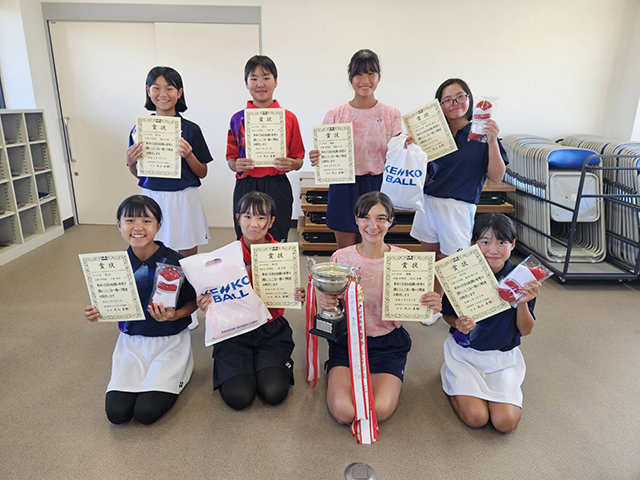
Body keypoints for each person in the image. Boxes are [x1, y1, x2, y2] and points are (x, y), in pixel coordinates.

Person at [317, 192, 442, 425]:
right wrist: (325, 303)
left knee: (378, 411)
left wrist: (432, 303)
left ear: (391, 221)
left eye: (381, 218)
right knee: (344, 413)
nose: (372, 225)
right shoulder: (341, 258)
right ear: (356, 219)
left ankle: (373, 375)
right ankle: (337, 371)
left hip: (388, 345)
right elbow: (331, 303)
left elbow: (416, 303)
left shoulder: (405, 260)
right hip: (348, 343)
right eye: (365, 217)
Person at [83, 195, 197, 425]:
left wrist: (175, 315)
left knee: (146, 413)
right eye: (130, 220)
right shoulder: (114, 265)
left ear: (159, 225)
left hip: (170, 341)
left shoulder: (176, 262)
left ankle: (183, 368)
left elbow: (193, 301)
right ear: (119, 224)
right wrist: (97, 312)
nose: (138, 227)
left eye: (146, 221)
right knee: (117, 414)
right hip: (131, 343)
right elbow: (110, 300)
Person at [197, 192, 305, 410]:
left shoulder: (281, 255)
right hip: (234, 332)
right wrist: (205, 303)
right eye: (247, 217)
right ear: (238, 219)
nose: (254, 224)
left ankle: (265, 363)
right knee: (239, 397)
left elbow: (285, 292)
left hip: (270, 330)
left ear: (271, 221)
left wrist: (296, 295)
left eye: (261, 217)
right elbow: (212, 297)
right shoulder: (223, 259)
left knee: (274, 392)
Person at [440, 214, 540, 433]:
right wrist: (458, 324)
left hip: (502, 358)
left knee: (505, 423)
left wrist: (523, 303)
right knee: (476, 418)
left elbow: (526, 330)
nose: (493, 250)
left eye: (501, 242)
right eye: (485, 242)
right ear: (473, 244)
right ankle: (450, 377)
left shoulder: (521, 277)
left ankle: (468, 390)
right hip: (465, 355)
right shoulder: (461, 273)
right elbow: (447, 314)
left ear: (513, 244)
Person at [410, 79, 508, 291]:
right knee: (430, 259)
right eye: (447, 100)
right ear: (439, 105)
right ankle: (434, 301)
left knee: (451, 264)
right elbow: (421, 174)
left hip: (459, 206)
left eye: (460, 97)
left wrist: (492, 141)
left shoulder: (482, 133)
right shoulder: (431, 134)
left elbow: (497, 176)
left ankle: (448, 304)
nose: (454, 103)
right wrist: (412, 149)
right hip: (428, 202)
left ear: (469, 99)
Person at [309, 49, 402, 250]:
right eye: (359, 74)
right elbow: (325, 154)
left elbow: (398, 157)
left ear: (379, 77)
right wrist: (317, 157)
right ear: (350, 78)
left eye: (370, 73)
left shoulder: (391, 114)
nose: (365, 80)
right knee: (345, 252)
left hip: (377, 185)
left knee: (372, 249)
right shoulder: (336, 115)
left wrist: (408, 147)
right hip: (343, 186)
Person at [126, 66, 213, 258]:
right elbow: (140, 174)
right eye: (156, 88)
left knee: (188, 252)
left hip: (184, 197)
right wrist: (131, 162)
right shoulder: (139, 129)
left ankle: (187, 279)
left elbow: (202, 172)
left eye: (169, 88)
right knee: (151, 248)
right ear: (148, 91)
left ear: (179, 93)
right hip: (152, 196)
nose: (163, 94)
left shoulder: (191, 129)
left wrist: (189, 155)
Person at [226, 55, 305, 243]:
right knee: (246, 237)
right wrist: (237, 164)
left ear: (275, 81)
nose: (260, 84)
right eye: (253, 78)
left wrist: (291, 163)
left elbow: (299, 160)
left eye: (266, 77)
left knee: (277, 237)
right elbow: (231, 159)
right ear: (246, 83)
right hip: (246, 184)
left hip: (276, 184)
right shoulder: (238, 119)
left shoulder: (289, 118)